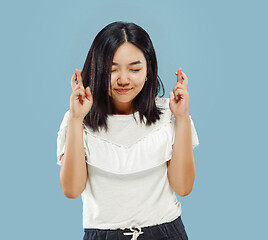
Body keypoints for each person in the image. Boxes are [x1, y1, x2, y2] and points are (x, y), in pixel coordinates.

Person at [56, 21, 199, 240]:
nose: (123, 79)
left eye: (134, 69)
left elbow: (183, 187)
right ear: (97, 69)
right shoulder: (78, 118)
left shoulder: (169, 114)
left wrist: (181, 117)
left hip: (165, 232)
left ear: (148, 69)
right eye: (112, 70)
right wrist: (76, 119)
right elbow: (72, 190)